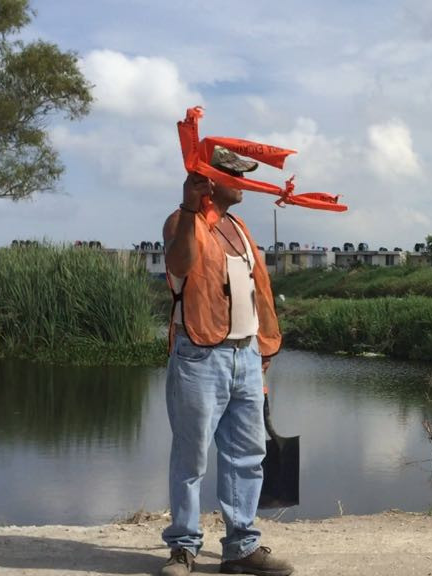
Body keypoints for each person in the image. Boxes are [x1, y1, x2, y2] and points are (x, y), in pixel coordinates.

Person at [161, 146, 293, 576]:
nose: (242, 183)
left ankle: (241, 548)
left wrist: (263, 346)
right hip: (200, 356)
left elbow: (255, 292)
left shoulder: (238, 226)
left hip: (245, 355)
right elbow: (179, 265)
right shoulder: (184, 223)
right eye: (233, 175)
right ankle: (183, 548)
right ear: (209, 180)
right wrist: (186, 204)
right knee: (191, 456)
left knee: (247, 455)